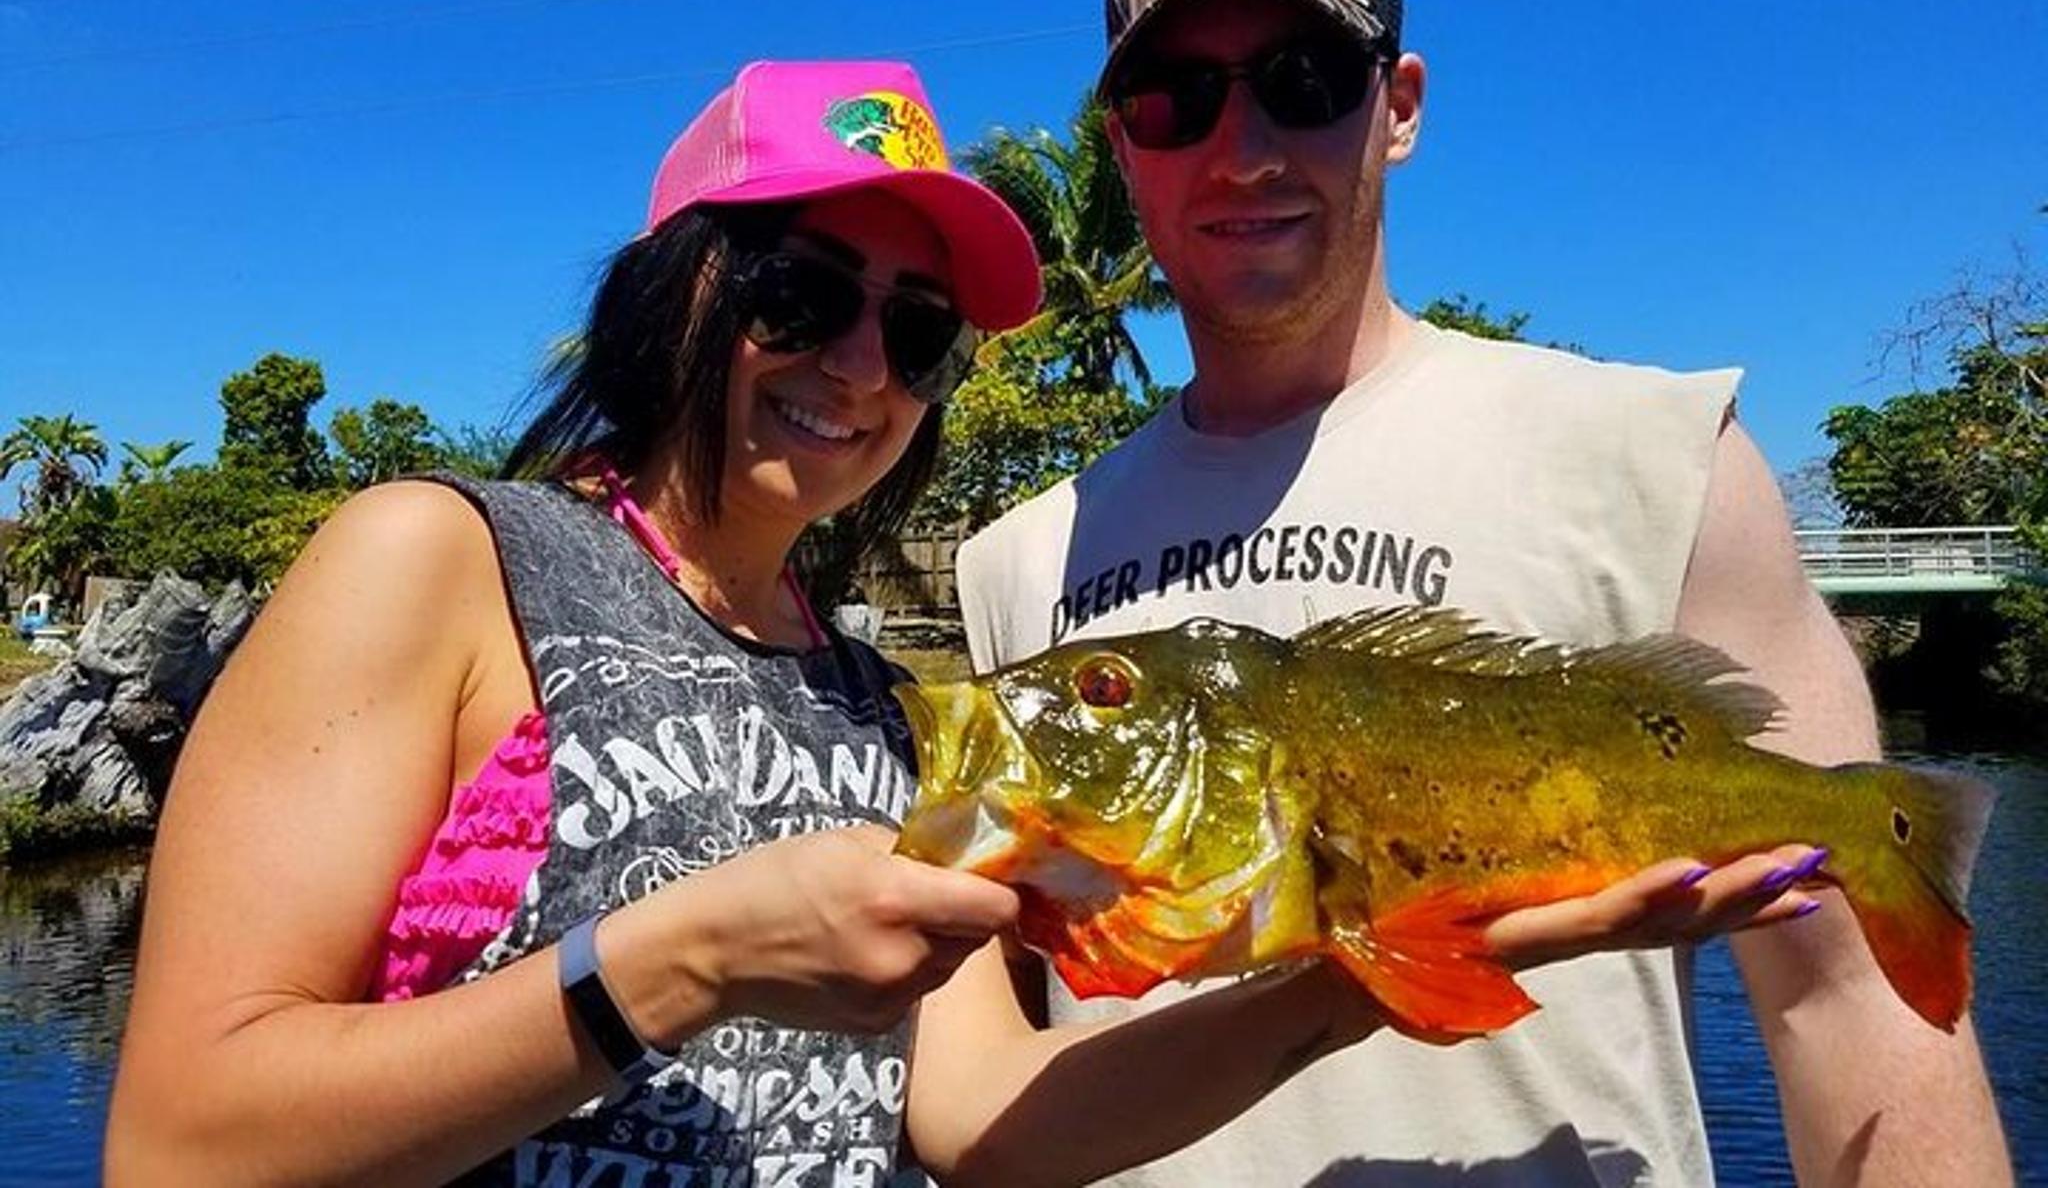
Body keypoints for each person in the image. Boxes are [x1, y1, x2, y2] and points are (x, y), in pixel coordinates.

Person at [105, 58, 1844, 1188]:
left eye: (920, 330)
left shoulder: (885, 711)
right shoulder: (437, 558)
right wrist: (680, 958)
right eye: (801, 291)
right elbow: (178, 1142)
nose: (862, 367)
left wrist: (1366, 977)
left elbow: (986, 1126)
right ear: (674, 289)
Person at [956, 0, 2012, 1188]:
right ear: (1122, 146)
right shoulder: (1012, 566)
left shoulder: (1661, 458)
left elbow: (1844, 1002)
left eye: (1304, 82)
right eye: (1176, 99)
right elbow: (993, 1063)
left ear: (1397, 106)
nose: (1242, 148)